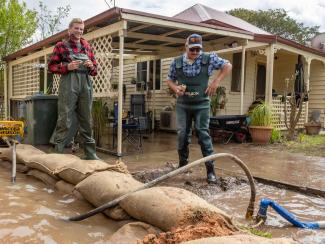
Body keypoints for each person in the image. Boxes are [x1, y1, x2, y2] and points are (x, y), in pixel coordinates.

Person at [166, 34, 232, 183]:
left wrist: (216, 81)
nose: (195, 52)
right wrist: (175, 88)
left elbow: (228, 65)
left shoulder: (208, 58)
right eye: (192, 49)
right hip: (183, 105)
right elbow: (169, 79)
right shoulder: (176, 63)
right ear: (186, 46)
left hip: (201, 104)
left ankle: (210, 170)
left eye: (198, 49)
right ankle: (183, 164)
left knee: (203, 134)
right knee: (182, 134)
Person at [48, 18, 99, 160]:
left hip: (85, 84)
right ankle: (57, 152)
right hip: (69, 83)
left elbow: (95, 71)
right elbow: (51, 67)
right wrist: (66, 67)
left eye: (81, 29)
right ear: (69, 29)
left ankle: (90, 153)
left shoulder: (87, 46)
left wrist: (91, 66)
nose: (79, 31)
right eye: (76, 28)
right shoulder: (61, 46)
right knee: (65, 118)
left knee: (87, 118)